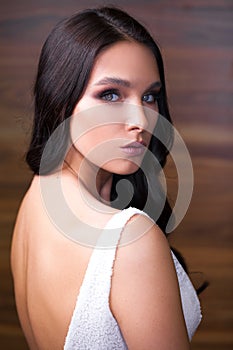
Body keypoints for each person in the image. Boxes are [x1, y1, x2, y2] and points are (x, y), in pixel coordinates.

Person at [11, 6, 202, 349]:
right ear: (61, 100)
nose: (141, 122)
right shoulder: (130, 239)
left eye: (149, 97)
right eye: (111, 95)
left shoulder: (37, 195)